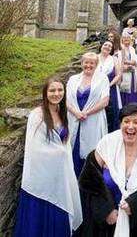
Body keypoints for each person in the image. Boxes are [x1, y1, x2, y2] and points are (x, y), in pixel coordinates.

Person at [79, 103, 137, 237]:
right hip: (104, 224)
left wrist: (134, 205)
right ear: (120, 124)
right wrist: (106, 210)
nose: (130, 126)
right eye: (126, 121)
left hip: (135, 224)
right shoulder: (106, 146)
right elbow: (88, 181)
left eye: (136, 122)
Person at [14, 77, 82, 237]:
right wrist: (62, 154)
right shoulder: (36, 115)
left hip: (59, 176)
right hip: (42, 180)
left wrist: (64, 156)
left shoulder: (61, 111)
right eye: (52, 90)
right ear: (45, 93)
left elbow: (65, 142)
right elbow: (36, 148)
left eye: (60, 90)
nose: (56, 93)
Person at [67, 52, 110, 177]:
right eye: (86, 62)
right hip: (74, 119)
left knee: (91, 150)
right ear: (81, 63)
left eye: (92, 63)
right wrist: (76, 113)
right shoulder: (73, 79)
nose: (89, 65)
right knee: (73, 150)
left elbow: (105, 101)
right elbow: (67, 100)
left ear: (96, 65)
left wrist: (86, 113)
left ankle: (88, 184)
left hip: (93, 119)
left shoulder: (103, 79)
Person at [98, 41, 122, 132]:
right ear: (101, 46)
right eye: (105, 45)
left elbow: (118, 74)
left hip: (111, 88)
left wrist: (109, 84)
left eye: (110, 46)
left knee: (111, 112)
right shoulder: (95, 57)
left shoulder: (114, 59)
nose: (107, 47)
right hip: (96, 88)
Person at [119, 34, 137, 106]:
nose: (127, 41)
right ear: (122, 40)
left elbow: (135, 61)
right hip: (123, 73)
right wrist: (128, 63)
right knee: (124, 90)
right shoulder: (120, 49)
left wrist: (127, 62)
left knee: (132, 90)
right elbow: (119, 61)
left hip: (132, 73)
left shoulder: (132, 49)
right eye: (125, 39)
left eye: (128, 39)